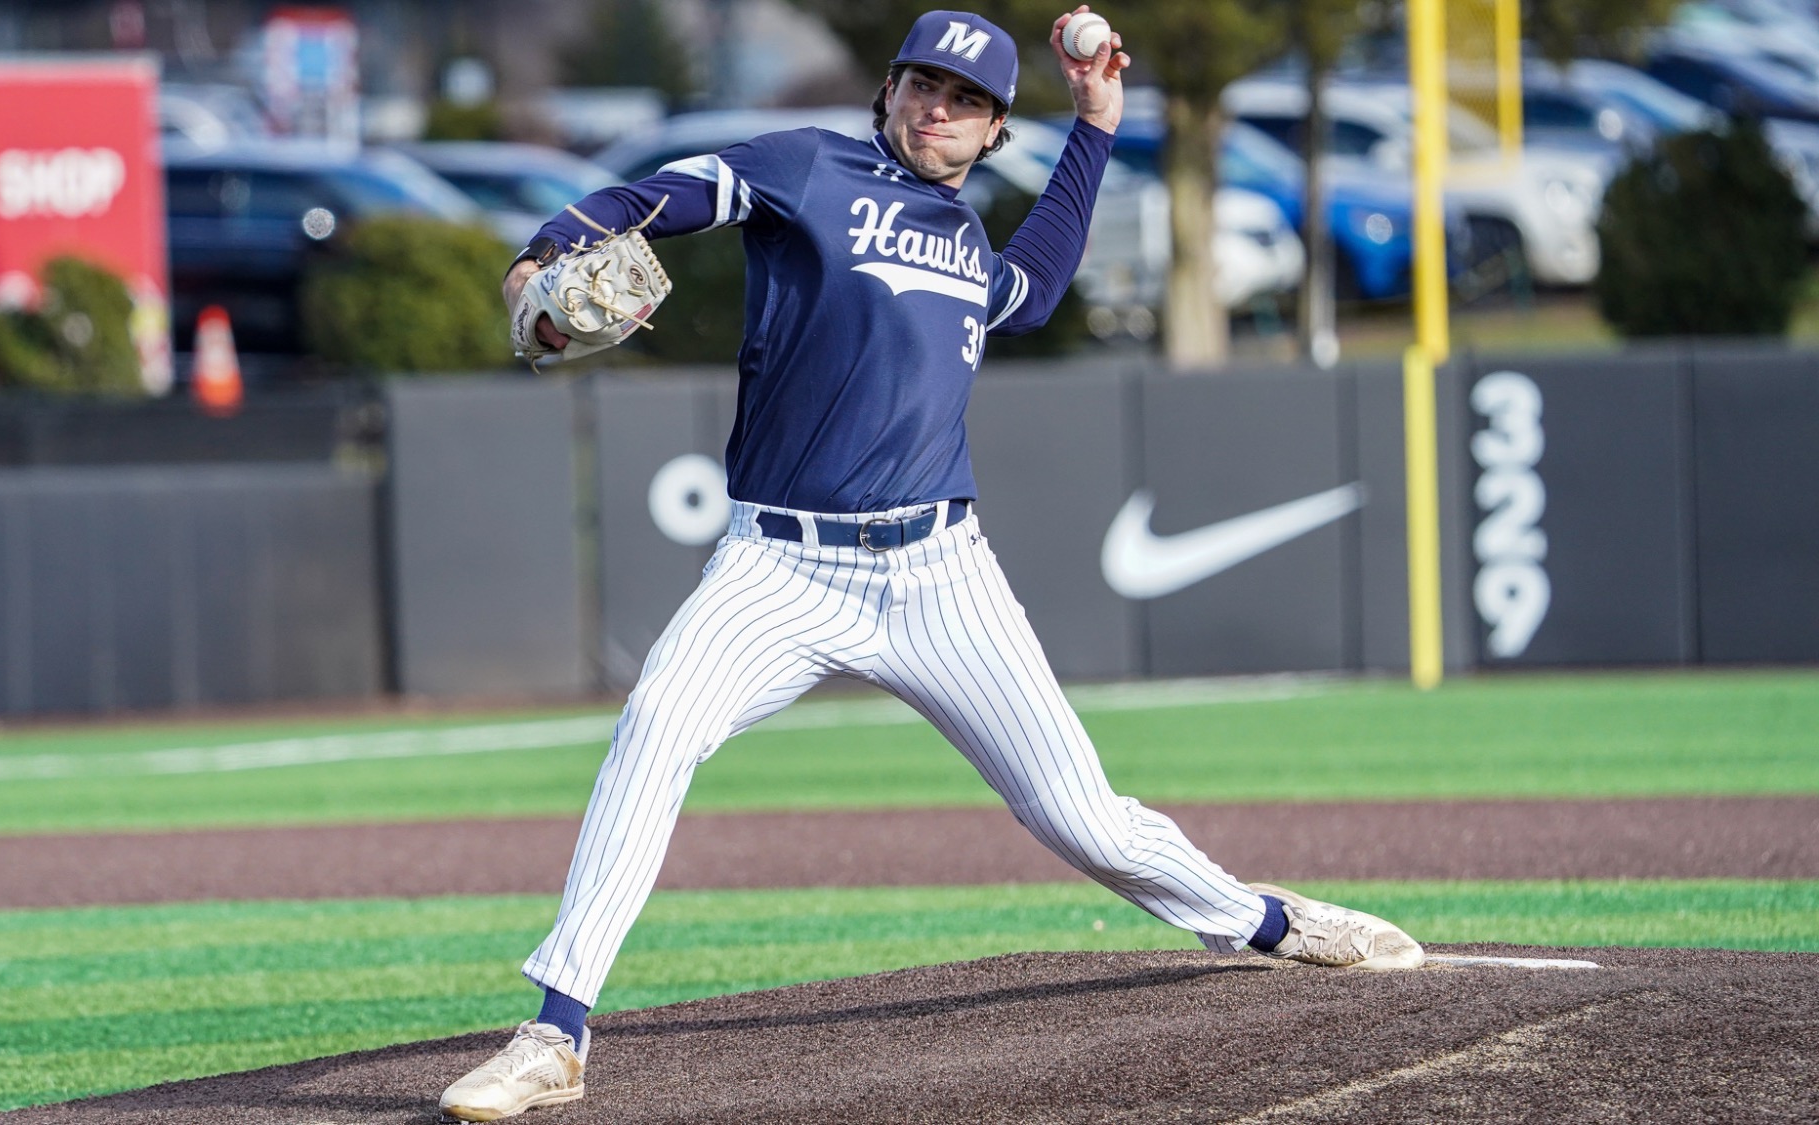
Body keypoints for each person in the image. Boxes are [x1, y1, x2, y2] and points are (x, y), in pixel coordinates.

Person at [439, 8, 1424, 1120]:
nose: (934, 107)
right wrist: (540, 257)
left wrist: (1096, 125)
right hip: (778, 567)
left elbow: (1031, 290)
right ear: (890, 89)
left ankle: (1263, 920)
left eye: (962, 100)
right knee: (657, 723)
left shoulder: (962, 244)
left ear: (994, 129)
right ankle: (555, 1031)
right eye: (919, 84)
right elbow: (653, 196)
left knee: (1080, 817)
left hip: (938, 573)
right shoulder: (804, 169)